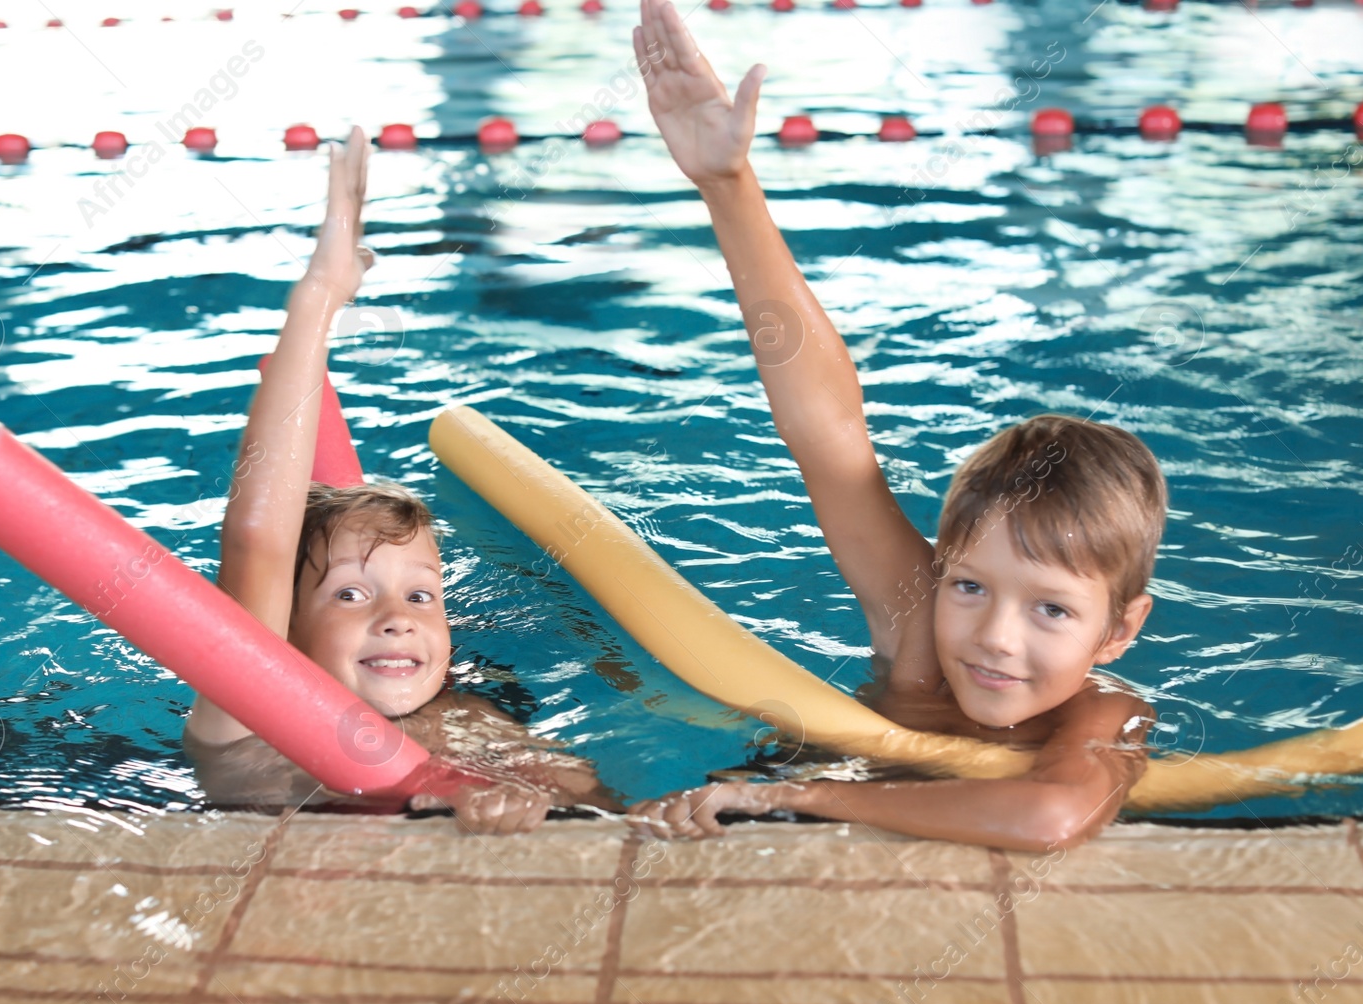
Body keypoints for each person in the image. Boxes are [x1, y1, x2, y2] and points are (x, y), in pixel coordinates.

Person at [625, 0, 1166, 851]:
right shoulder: (917, 627)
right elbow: (829, 435)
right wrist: (726, 185)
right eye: (969, 586)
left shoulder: (1107, 711)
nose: (994, 636)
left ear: (1120, 629)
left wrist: (806, 799)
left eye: (1053, 611)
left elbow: (1050, 814)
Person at [183, 127, 614, 833]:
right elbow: (258, 541)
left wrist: (537, 801)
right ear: (284, 627)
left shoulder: (463, 718)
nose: (398, 617)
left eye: (421, 593)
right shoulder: (249, 713)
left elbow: (596, 803)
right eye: (349, 592)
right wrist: (320, 299)